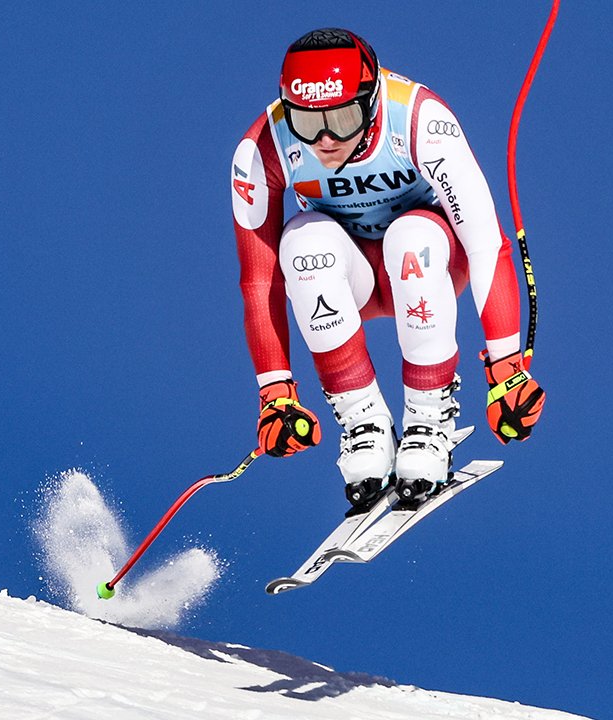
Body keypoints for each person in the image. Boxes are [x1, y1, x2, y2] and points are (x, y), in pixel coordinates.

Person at [230, 27, 545, 512]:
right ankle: (363, 424)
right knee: (302, 243)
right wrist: (275, 391)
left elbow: (486, 244)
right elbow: (260, 278)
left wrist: (506, 368)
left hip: (427, 263)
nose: (326, 139)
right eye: (307, 123)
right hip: (349, 274)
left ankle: (428, 419)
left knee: (410, 236)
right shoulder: (263, 149)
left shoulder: (419, 120)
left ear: (372, 101)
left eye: (343, 117)